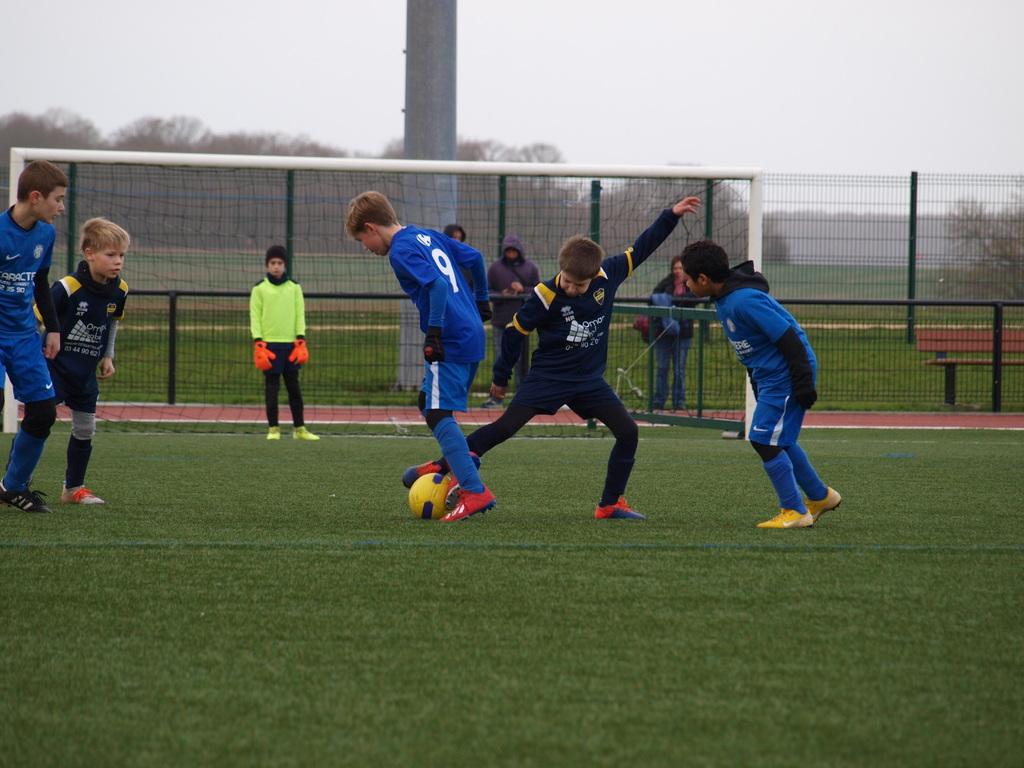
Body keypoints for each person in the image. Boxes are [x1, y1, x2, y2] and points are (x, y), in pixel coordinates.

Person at [404, 196, 702, 521]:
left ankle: (610, 504)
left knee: (628, 432)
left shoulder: (610, 274)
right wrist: (501, 377)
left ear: (594, 276)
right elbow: (515, 333)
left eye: (579, 284)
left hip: (588, 381)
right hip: (548, 378)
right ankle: (444, 464)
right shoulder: (545, 295)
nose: (571, 288)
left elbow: (645, 245)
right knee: (504, 428)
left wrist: (671, 215)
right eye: (567, 280)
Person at [346, 191, 495, 522]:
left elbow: (438, 286)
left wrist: (434, 332)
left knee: (438, 412)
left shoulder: (400, 251)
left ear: (370, 227)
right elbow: (474, 257)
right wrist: (482, 300)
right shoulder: (427, 235)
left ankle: (473, 490)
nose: (365, 247)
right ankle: (455, 461)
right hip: (471, 331)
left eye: (361, 240)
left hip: (451, 337)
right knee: (428, 400)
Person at [679, 239, 842, 529]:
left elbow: (788, 337)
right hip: (770, 377)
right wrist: (757, 382)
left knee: (762, 439)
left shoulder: (743, 300)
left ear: (702, 279)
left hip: (787, 375)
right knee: (780, 440)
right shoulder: (724, 299)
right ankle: (820, 497)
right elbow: (754, 348)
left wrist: (803, 379)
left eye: (688, 279)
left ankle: (794, 511)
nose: (686, 285)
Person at [42, 218, 131, 505]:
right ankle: (14, 484)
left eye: (121, 255)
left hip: (85, 373)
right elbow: (36, 317)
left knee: (85, 429)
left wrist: (108, 355)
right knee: (38, 422)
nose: (118, 261)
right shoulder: (68, 287)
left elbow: (112, 322)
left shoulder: (120, 289)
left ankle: (73, 489)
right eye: (111, 254)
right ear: (89, 254)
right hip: (54, 369)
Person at [0, 160, 69, 513]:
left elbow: (40, 281)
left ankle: (12, 488)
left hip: (26, 336)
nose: (61, 208)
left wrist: (53, 328)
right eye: (58, 199)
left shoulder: (46, 234)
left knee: (43, 413)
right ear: (37, 197)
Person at [250, 245, 319, 441]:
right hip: (269, 346)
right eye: (273, 263)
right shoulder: (259, 289)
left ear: (285, 265)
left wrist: (300, 338)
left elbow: (299, 314)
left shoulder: (294, 288)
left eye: (279, 263)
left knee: (294, 388)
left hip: (291, 345)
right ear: (267, 264)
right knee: (272, 388)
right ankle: (273, 429)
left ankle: (300, 429)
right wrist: (258, 341)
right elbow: (255, 316)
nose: (276, 266)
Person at [480, 233, 540, 408]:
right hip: (501, 321)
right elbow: (487, 291)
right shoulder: (495, 267)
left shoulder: (530, 267)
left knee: (522, 362)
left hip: (523, 323)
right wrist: (503, 294)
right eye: (508, 250)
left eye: (514, 250)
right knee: (501, 359)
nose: (511, 253)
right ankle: (496, 398)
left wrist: (523, 290)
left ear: (519, 250)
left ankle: (522, 398)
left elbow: (538, 290)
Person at [649, 253, 698, 411]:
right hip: (664, 332)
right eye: (675, 268)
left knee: (679, 369)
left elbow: (693, 298)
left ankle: (679, 401)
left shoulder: (691, 284)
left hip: (683, 333)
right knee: (662, 367)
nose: (678, 271)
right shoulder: (667, 282)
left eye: (681, 268)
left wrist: (673, 300)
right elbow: (656, 295)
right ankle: (659, 400)